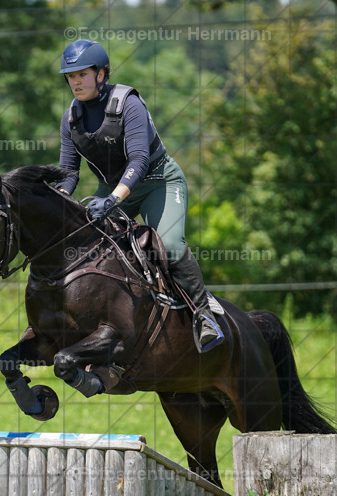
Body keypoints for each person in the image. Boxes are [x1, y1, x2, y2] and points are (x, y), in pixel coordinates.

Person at [55, 38, 223, 352]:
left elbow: (139, 161)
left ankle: (204, 316)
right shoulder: (70, 119)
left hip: (158, 181)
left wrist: (113, 200)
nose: (75, 82)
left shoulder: (128, 103)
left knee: (169, 245)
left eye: (82, 74)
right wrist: (58, 198)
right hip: (111, 189)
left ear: (101, 74)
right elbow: (69, 172)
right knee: (82, 246)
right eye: (71, 76)